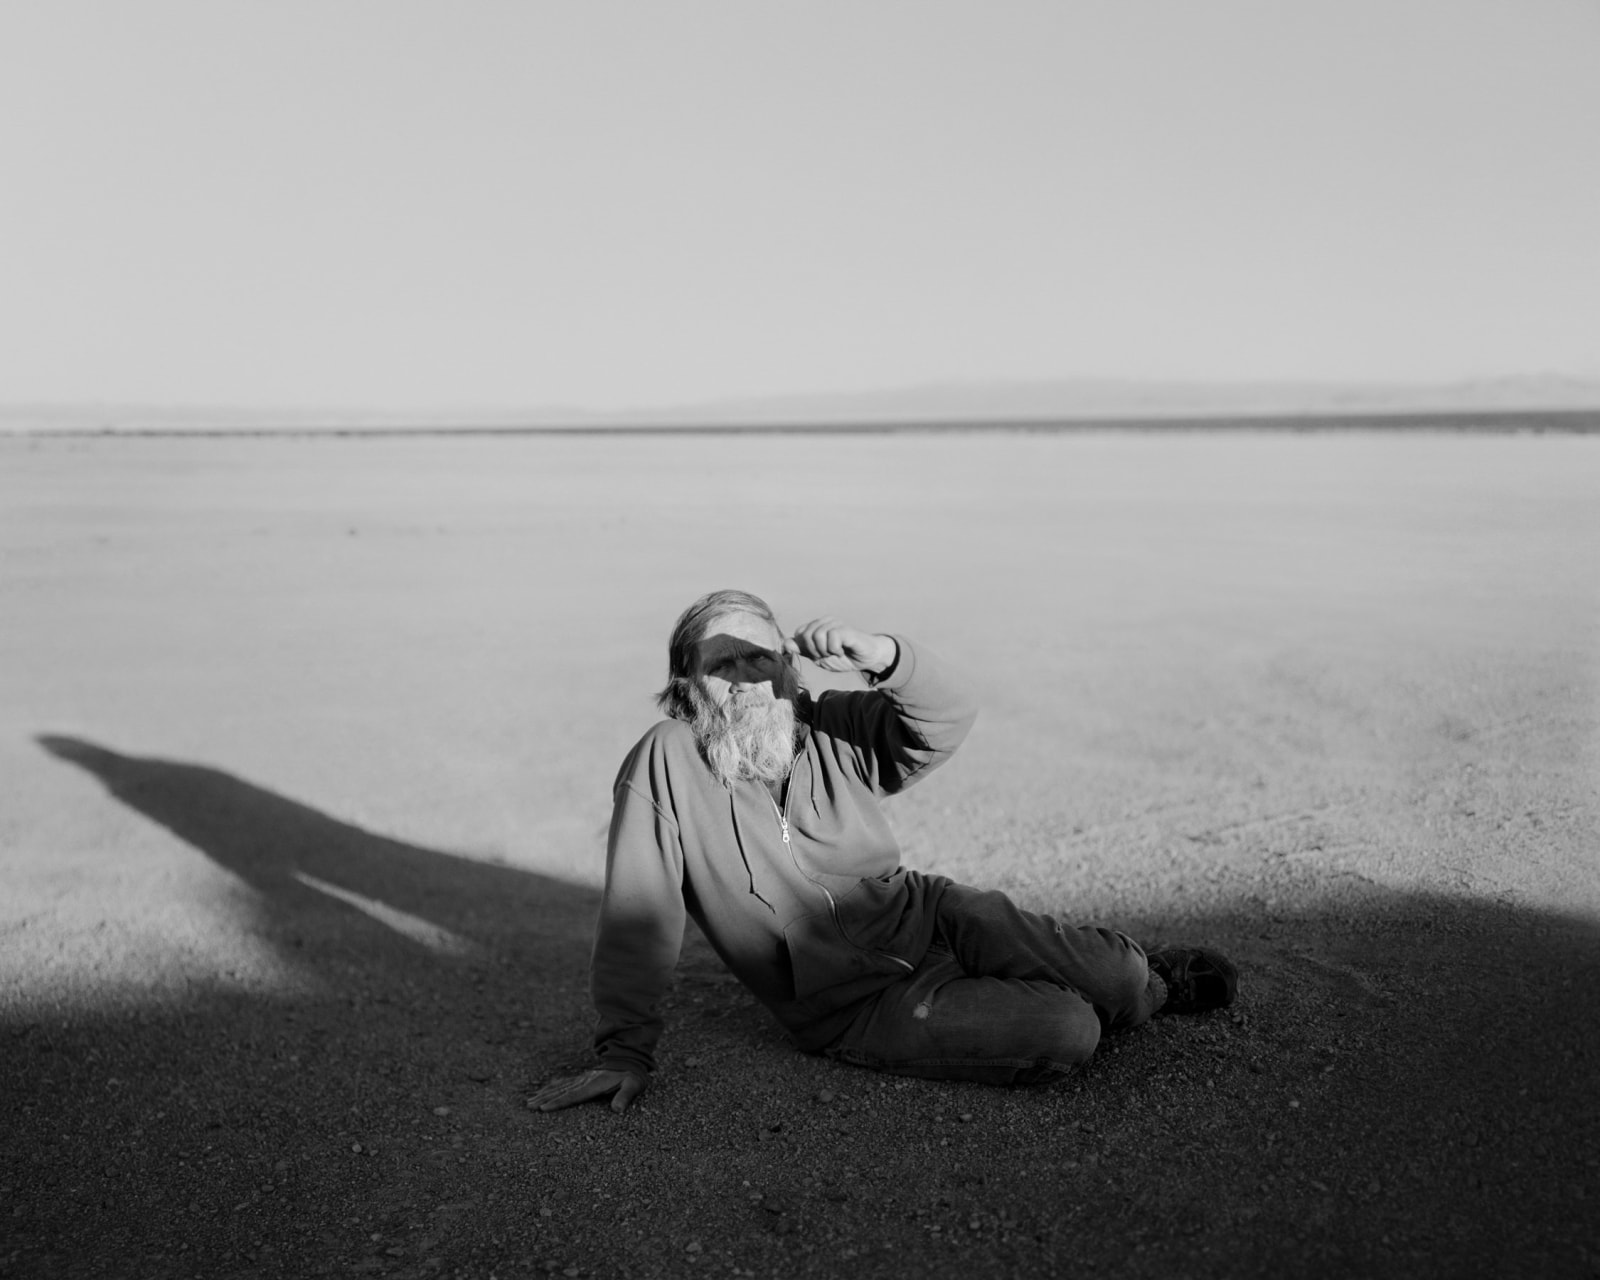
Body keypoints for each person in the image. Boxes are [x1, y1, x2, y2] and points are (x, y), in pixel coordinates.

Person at [531, 589, 1236, 1114]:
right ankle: (1113, 1000)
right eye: (722, 665)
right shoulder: (668, 763)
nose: (746, 680)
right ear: (688, 687)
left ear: (789, 669)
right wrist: (625, 1051)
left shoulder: (832, 726)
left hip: (932, 915)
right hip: (852, 1007)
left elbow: (947, 715)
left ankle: (1138, 986)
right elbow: (638, 916)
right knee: (1068, 1029)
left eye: (761, 658)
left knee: (1116, 974)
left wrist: (887, 659)